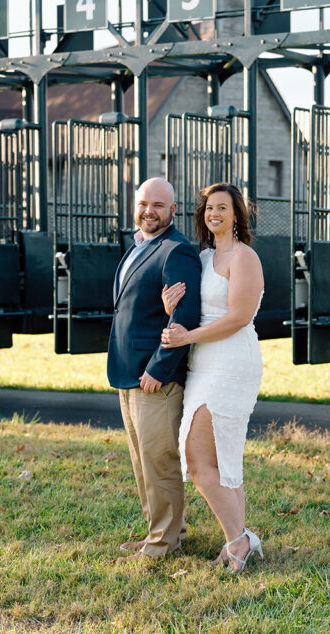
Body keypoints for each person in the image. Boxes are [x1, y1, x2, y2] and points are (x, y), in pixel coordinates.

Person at [159, 182, 265, 573]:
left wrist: (188, 336)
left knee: (199, 460)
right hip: (202, 361)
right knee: (220, 461)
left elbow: (237, 317)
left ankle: (238, 541)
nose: (213, 214)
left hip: (232, 362)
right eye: (208, 208)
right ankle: (241, 540)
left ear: (237, 214)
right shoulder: (203, 258)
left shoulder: (245, 257)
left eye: (222, 207)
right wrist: (170, 307)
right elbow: (192, 310)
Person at [107, 177, 202, 561]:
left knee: (159, 461)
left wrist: (159, 370)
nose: (149, 211)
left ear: (173, 211)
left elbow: (185, 318)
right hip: (128, 374)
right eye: (144, 203)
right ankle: (160, 534)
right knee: (141, 460)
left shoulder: (176, 252)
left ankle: (163, 545)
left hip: (154, 378)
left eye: (159, 205)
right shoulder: (137, 245)